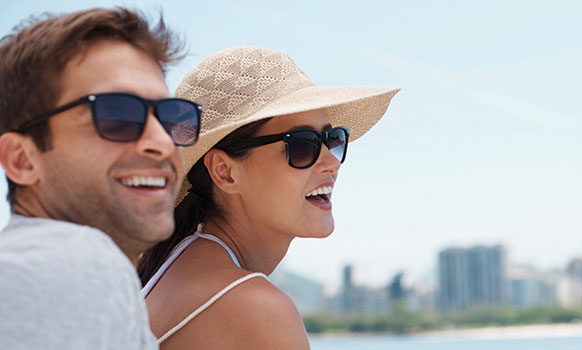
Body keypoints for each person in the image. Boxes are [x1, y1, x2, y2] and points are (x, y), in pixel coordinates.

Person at [137, 46, 398, 348]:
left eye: (333, 139)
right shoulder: (254, 307)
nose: (331, 161)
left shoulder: (171, 272)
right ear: (224, 172)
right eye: (303, 145)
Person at [0, 7, 201, 349]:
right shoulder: (72, 261)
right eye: (117, 114)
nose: (161, 141)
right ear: (22, 160)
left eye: (170, 117)